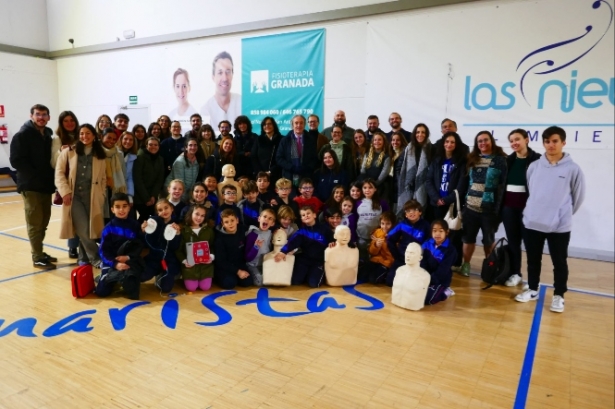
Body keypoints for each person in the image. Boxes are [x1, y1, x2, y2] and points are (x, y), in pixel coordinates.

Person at [515, 126, 585, 313]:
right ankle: (532, 289)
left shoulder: (573, 169)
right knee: (533, 259)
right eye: (547, 141)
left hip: (559, 226)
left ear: (563, 142)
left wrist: (562, 214)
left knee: (559, 262)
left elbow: (577, 198)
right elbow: (532, 191)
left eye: (555, 141)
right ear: (543, 143)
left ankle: (559, 295)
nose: (551, 145)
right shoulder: (534, 166)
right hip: (533, 223)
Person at [9, 104, 58, 268]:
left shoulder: (48, 135)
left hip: (45, 186)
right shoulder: (22, 135)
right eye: (38, 114)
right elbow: (16, 161)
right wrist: (35, 175)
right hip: (31, 187)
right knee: (35, 224)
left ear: (49, 117)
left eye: (44, 115)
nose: (41, 118)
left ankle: (40, 252)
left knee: (43, 222)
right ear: (32, 116)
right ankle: (36, 256)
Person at [55, 123, 107, 268]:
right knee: (83, 228)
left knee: (89, 229)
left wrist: (101, 194)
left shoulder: (100, 154)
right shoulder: (68, 152)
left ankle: (83, 258)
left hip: (93, 197)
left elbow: (103, 178)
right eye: (82, 133)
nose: (85, 136)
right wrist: (65, 192)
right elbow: (59, 174)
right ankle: (96, 258)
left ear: (94, 136)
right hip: (74, 197)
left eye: (88, 133)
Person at [460, 131, 508, 277]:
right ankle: (466, 265)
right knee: (468, 239)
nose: (483, 143)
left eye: (485, 140)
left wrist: (499, 209)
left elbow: (503, 185)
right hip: (470, 208)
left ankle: (489, 266)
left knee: (489, 240)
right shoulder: (471, 159)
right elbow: (467, 183)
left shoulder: (501, 160)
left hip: (489, 209)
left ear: (491, 141)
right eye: (479, 141)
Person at [501, 129, 541, 287]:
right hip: (509, 209)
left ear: (526, 140)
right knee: (513, 242)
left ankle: (532, 281)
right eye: (511, 141)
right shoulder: (508, 160)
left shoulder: (538, 160)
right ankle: (515, 273)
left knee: (531, 244)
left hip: (528, 210)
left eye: (517, 139)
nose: (514, 143)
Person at [425, 132, 468, 271]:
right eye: (447, 141)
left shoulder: (462, 162)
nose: (449, 144)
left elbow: (462, 186)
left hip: (452, 204)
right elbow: (429, 180)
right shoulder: (436, 160)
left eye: (452, 142)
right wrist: (436, 198)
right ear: (443, 143)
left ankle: (454, 263)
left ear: (457, 145)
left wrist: (446, 200)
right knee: (437, 232)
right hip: (436, 203)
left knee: (453, 234)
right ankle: (436, 258)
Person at [95, 192, 144, 299]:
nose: (121, 210)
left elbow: (139, 245)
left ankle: (122, 278)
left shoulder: (135, 225)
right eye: (117, 207)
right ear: (112, 209)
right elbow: (103, 252)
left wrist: (128, 257)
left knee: (133, 294)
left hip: (129, 261)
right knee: (101, 292)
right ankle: (106, 276)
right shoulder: (108, 228)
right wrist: (115, 264)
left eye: (124, 206)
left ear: (129, 207)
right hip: (113, 262)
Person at [274, 206, 334, 287]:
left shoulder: (324, 228)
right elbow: (292, 242)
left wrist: (332, 242)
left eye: (308, 213)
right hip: (305, 260)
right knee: (295, 281)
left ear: (314, 215)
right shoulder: (301, 231)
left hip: (318, 261)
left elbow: (333, 238)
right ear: (301, 219)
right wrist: (283, 251)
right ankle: (307, 273)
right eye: (303, 215)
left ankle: (312, 273)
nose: (306, 216)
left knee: (314, 284)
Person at [51, 110, 80, 259]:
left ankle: (84, 246)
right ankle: (72, 246)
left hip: (82, 180)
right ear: (61, 123)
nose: (69, 123)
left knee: (82, 216)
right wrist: (60, 153)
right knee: (71, 216)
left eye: (72, 120)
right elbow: (54, 162)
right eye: (66, 121)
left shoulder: (81, 135)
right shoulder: (57, 139)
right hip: (67, 183)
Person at [385, 199, 431, 286]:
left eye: (415, 210)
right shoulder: (402, 225)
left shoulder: (426, 225)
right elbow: (390, 238)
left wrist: (422, 256)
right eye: (408, 211)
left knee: (417, 283)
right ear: (405, 214)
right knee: (390, 281)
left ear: (420, 212)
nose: (411, 213)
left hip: (418, 261)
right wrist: (397, 255)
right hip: (403, 259)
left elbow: (429, 243)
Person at [141, 198, 182, 293]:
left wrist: (177, 234)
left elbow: (175, 247)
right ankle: (157, 273)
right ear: (157, 213)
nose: (164, 211)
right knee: (142, 276)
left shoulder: (176, 225)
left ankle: (164, 276)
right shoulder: (153, 224)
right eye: (160, 210)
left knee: (166, 288)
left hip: (169, 260)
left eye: (166, 208)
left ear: (172, 208)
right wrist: (144, 231)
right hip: (153, 259)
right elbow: (146, 242)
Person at [176, 204, 215, 292]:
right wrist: (184, 261)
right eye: (197, 214)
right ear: (191, 214)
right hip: (190, 267)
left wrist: (211, 257)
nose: (199, 218)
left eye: (202, 216)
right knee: (191, 288)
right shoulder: (183, 230)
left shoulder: (209, 230)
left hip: (205, 267)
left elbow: (213, 246)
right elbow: (178, 250)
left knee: (205, 287)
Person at [397, 123, 433, 212]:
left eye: (423, 132)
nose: (420, 134)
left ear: (427, 134)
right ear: (414, 134)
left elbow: (434, 170)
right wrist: (403, 181)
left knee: (421, 213)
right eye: (418, 132)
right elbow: (399, 167)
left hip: (425, 188)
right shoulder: (408, 148)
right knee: (408, 213)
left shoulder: (432, 148)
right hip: (408, 186)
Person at [201, 51, 241, 127]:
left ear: (232, 75)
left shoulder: (242, 102)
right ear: (213, 77)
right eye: (220, 73)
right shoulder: (206, 110)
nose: (225, 78)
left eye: (228, 72)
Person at [214, 209, 253, 289]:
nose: (230, 224)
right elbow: (221, 261)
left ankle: (236, 277)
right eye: (226, 222)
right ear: (222, 224)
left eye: (232, 220)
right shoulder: (219, 239)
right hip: (226, 267)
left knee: (248, 282)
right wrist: (238, 271)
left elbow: (254, 228)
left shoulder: (242, 229)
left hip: (239, 264)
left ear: (237, 220)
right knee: (230, 283)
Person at [421, 220, 457, 305]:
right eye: (434, 231)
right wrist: (423, 277)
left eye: (441, 231)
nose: (437, 234)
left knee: (427, 299)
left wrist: (430, 280)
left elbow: (443, 270)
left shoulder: (450, 250)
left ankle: (445, 292)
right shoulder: (427, 244)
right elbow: (423, 262)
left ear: (447, 232)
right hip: (426, 277)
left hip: (440, 280)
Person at [276, 115, 318, 186]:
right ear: (292, 125)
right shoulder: (285, 140)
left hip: (306, 177)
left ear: (304, 125)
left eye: (301, 123)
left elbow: (314, 158)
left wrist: (305, 168)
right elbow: (279, 158)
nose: (299, 125)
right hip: (288, 177)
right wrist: (292, 167)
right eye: (296, 123)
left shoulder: (310, 140)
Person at [356, 179, 390, 259]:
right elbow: (354, 220)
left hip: (377, 238)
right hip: (361, 237)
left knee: (374, 258)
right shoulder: (357, 203)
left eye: (370, 187)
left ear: (375, 189)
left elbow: (388, 219)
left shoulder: (382, 203)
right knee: (362, 258)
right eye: (365, 187)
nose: (367, 190)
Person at [133, 137, 165, 223]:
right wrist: (146, 198)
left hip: (152, 197)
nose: (153, 147)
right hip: (140, 197)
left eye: (156, 145)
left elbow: (159, 179)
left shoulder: (160, 159)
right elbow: (137, 179)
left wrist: (153, 196)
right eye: (150, 144)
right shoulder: (140, 157)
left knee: (152, 219)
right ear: (146, 145)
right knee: (143, 218)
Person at [359, 211, 395, 284]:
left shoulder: (396, 234)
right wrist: (376, 245)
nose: (385, 226)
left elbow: (394, 254)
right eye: (382, 223)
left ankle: (387, 275)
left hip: (387, 263)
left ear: (392, 224)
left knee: (373, 280)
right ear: (380, 223)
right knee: (362, 276)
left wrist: (387, 241)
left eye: (388, 224)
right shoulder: (377, 232)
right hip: (375, 260)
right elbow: (371, 252)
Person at [245, 208, 276, 286]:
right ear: (259, 219)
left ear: (272, 223)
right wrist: (255, 248)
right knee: (260, 282)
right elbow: (247, 258)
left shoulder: (271, 234)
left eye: (270, 218)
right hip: (252, 265)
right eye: (264, 217)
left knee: (274, 279)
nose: (266, 220)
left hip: (265, 264)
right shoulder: (252, 234)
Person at [251, 116, 283, 183]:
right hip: (260, 175)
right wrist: (261, 172)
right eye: (264, 124)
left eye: (269, 124)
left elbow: (283, 157)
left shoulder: (281, 139)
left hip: (277, 174)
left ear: (274, 125)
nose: (267, 126)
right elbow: (253, 156)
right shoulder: (258, 139)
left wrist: (271, 171)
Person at [168, 69, 198, 134]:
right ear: (174, 88)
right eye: (178, 86)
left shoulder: (194, 114)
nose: (181, 91)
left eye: (184, 86)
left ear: (189, 88)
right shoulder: (171, 115)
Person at [388, 130, 408, 211]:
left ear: (402, 141)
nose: (395, 142)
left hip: (399, 186)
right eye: (393, 140)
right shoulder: (390, 153)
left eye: (398, 140)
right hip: (390, 185)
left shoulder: (405, 154)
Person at [117, 131, 138, 200]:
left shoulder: (133, 157)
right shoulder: (115, 153)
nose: (128, 141)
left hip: (125, 190)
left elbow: (130, 177)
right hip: (113, 189)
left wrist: (130, 195)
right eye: (125, 139)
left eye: (131, 140)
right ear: (121, 140)